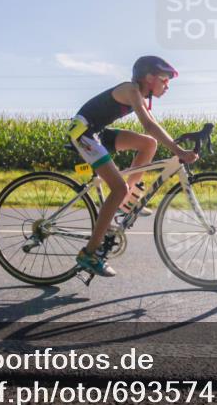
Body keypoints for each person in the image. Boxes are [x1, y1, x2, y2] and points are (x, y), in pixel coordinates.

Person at [68, 56, 199, 277]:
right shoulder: (130, 90)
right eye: (165, 80)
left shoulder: (140, 95)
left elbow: (152, 128)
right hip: (84, 134)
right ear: (149, 77)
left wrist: (176, 146)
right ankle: (89, 254)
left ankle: (127, 202)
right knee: (117, 188)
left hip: (97, 132)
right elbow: (148, 124)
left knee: (149, 144)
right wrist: (178, 152)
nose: (167, 86)